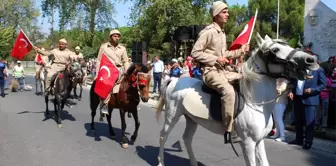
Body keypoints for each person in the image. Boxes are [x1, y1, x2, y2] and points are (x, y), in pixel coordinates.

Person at [191, 1, 249, 143]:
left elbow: (225, 54)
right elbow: (195, 52)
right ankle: (229, 130)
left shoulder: (222, 32)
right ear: (216, 15)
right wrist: (216, 59)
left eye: (227, 11)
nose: (227, 14)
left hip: (223, 70)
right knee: (228, 92)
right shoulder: (209, 32)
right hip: (210, 72)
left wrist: (241, 51)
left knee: (245, 80)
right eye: (224, 12)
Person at [288, 67, 327, 149]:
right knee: (298, 121)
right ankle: (299, 140)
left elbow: (323, 84)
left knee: (309, 123)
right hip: (298, 98)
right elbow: (293, 82)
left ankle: (308, 142)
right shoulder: (298, 69)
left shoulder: (318, 70)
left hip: (310, 100)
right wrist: (291, 91)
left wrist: (313, 90)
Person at [95, 29, 129, 114]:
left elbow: (125, 61)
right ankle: (105, 104)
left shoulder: (122, 48)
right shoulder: (104, 47)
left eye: (118, 36)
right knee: (108, 85)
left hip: (118, 70)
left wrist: (127, 70)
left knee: (130, 84)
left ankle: (130, 104)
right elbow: (99, 60)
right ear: (110, 37)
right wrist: (97, 73)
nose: (117, 38)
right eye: (115, 36)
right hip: (107, 71)